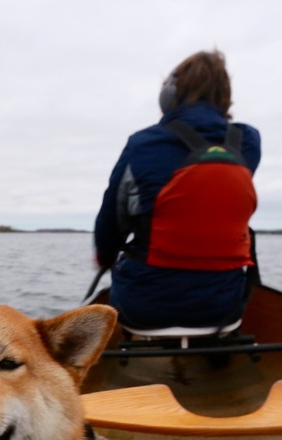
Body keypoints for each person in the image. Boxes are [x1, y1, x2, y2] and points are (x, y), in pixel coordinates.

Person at [93, 49, 261, 330]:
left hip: (143, 306)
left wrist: (105, 257)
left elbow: (112, 219)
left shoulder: (143, 143)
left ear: (170, 94)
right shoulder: (248, 142)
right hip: (224, 307)